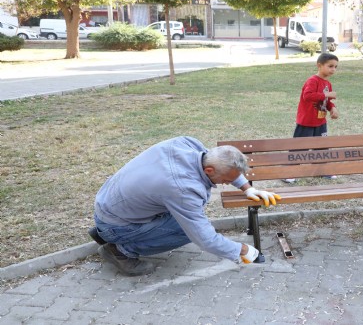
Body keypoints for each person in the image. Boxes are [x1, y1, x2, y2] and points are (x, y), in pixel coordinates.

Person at [88, 136, 281, 276]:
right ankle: (120, 250)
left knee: (190, 221)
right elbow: (205, 239)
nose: (224, 183)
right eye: (224, 180)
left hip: (111, 204)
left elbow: (227, 165)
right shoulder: (182, 188)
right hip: (117, 220)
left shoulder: (187, 144)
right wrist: (242, 251)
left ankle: (104, 232)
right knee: (187, 231)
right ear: (209, 170)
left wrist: (247, 189)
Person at [284, 53, 340, 183]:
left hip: (320, 121)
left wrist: (332, 108)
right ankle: (289, 172)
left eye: (336, 67)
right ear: (319, 65)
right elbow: (307, 96)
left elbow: (327, 100)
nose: (333, 69)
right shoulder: (313, 81)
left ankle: (321, 170)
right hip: (307, 121)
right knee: (300, 147)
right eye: (330, 66)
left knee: (321, 146)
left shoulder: (327, 83)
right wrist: (326, 94)